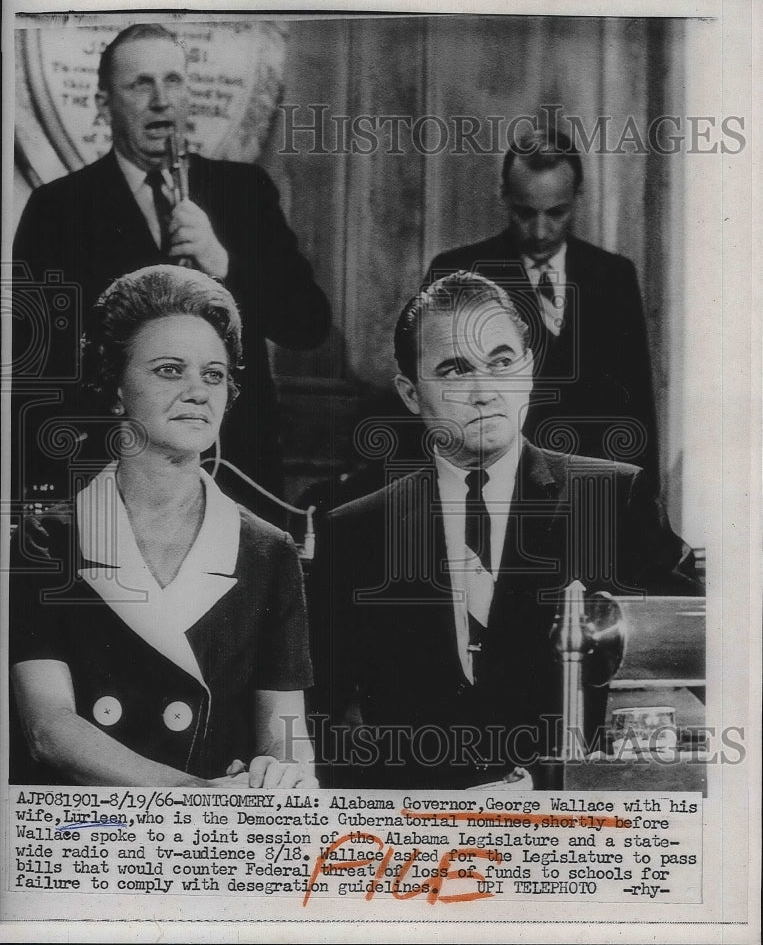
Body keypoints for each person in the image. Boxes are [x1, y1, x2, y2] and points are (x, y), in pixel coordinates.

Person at [308, 272, 700, 789]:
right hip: (419, 835)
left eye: (501, 362)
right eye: (454, 369)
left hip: (569, 825)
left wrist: (537, 779)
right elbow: (321, 717)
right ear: (409, 392)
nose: (483, 391)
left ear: (530, 370)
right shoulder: (353, 530)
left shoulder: (613, 499)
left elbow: (690, 666)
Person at [9, 266, 316, 788]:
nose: (199, 391)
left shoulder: (269, 550)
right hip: (85, 832)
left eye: (214, 374)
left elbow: (285, 732)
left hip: (218, 842)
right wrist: (194, 799)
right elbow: (49, 729)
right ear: (115, 385)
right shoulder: (48, 540)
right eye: (170, 370)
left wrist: (282, 774)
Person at [12, 22, 330, 510]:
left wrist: (223, 262)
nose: (161, 100)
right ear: (104, 105)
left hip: (234, 476)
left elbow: (308, 324)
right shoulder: (58, 208)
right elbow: (35, 367)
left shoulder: (246, 191)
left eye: (173, 81)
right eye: (141, 84)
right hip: (112, 480)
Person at [425, 125, 659, 483]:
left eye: (556, 212)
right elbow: (433, 397)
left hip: (592, 493)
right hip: (492, 489)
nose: (539, 231)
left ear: (577, 197)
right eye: (524, 212)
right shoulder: (457, 271)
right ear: (503, 196)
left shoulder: (614, 276)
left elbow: (636, 406)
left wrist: (642, 507)